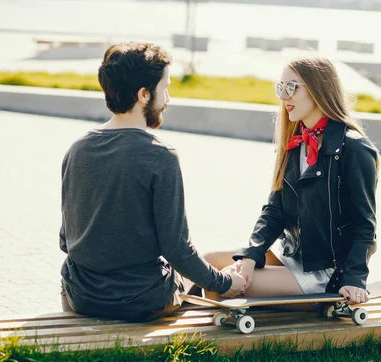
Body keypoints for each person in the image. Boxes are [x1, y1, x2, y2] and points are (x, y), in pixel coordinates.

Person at [58, 42, 246, 322]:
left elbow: (66, 241)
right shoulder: (161, 156)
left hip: (79, 296)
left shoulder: (76, 150)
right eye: (164, 89)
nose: (168, 99)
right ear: (144, 94)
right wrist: (225, 283)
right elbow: (178, 251)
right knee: (199, 276)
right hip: (142, 300)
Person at [205, 56, 379, 306]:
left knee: (222, 284)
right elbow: (274, 211)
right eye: (280, 88)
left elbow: (365, 225)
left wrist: (354, 278)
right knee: (208, 262)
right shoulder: (295, 142)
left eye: (291, 88)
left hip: (324, 271)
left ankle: (220, 340)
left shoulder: (354, 147)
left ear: (319, 88)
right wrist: (251, 257)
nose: (283, 97)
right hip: (291, 256)